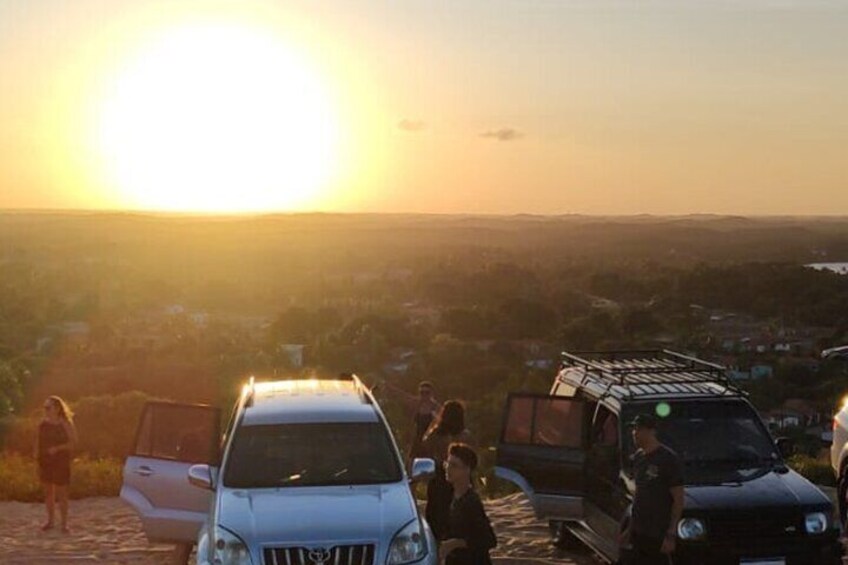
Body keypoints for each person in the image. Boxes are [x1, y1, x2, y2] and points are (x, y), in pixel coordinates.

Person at [619, 414, 684, 565]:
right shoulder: (638, 458)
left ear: (651, 431)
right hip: (639, 531)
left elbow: (678, 500)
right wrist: (629, 529)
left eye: (639, 429)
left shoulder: (667, 459)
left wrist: (671, 534)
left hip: (658, 533)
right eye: (634, 429)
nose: (634, 433)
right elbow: (639, 496)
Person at [421, 400, 474, 541]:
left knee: (436, 516)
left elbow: (425, 444)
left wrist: (435, 423)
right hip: (461, 478)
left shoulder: (435, 435)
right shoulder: (466, 436)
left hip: (439, 477)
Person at [438, 443, 497, 565]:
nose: (448, 468)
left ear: (467, 469)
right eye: (447, 463)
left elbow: (489, 540)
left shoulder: (471, 502)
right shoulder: (448, 496)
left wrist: (456, 543)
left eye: (454, 465)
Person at [34, 396, 78, 533]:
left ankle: (64, 524)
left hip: (60, 461)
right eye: (45, 408)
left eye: (48, 407)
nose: (46, 410)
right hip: (46, 461)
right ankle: (50, 521)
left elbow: (73, 442)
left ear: (57, 408)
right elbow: (37, 441)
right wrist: (36, 457)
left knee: (62, 493)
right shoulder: (43, 424)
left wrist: (58, 448)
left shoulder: (65, 423)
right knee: (48, 492)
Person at [383, 379, 442, 468]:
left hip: (431, 441)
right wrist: (389, 387)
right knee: (410, 462)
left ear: (431, 393)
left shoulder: (436, 407)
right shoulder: (417, 403)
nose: (424, 395)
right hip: (417, 438)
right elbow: (403, 395)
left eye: (427, 393)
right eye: (422, 393)